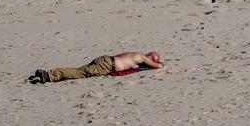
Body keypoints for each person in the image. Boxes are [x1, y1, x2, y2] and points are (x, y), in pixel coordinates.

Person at [30, 51, 163, 84]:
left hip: (105, 59)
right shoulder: (142, 57)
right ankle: (47, 75)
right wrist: (160, 63)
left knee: (78, 70)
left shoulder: (136, 54)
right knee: (79, 73)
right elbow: (157, 66)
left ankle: (49, 73)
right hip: (107, 65)